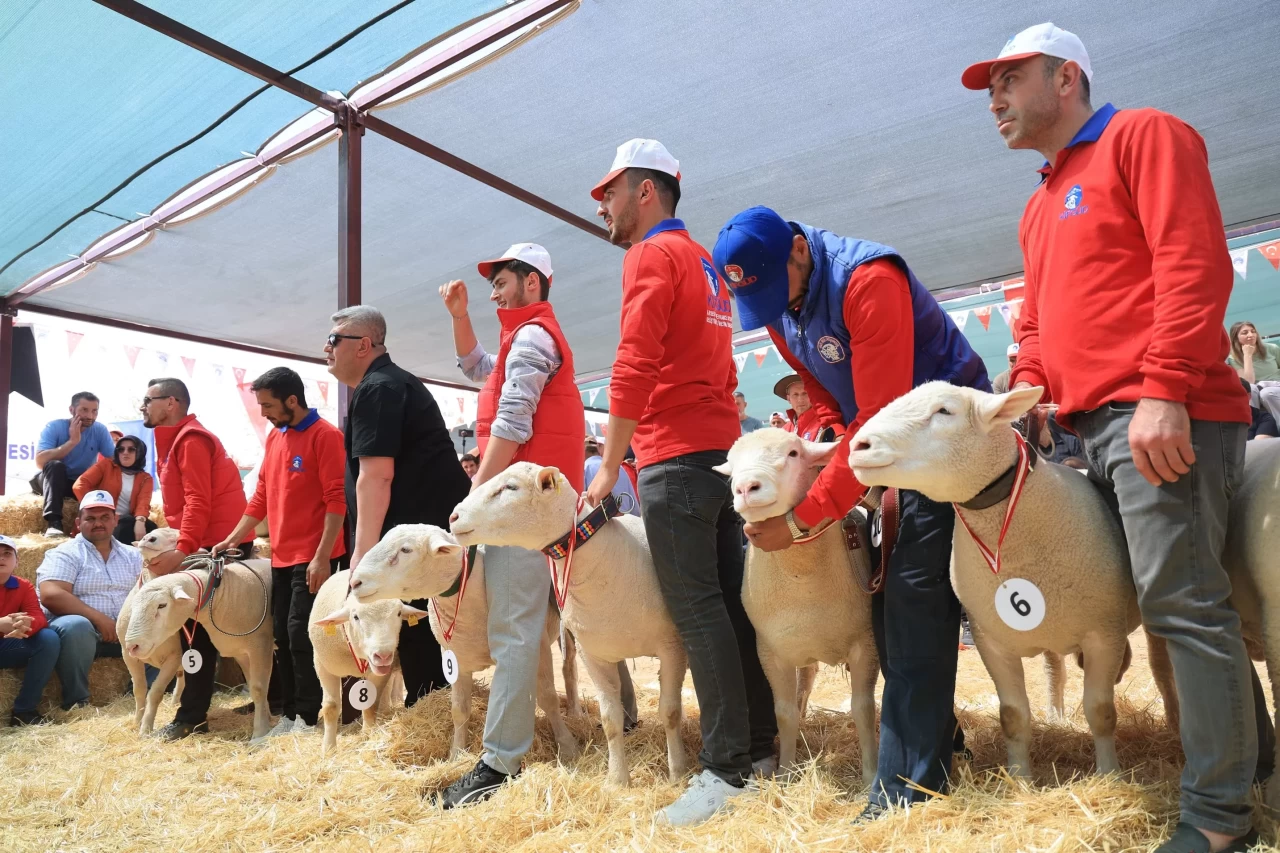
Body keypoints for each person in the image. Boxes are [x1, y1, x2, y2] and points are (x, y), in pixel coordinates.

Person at [965, 22, 1271, 852]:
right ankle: (1255, 767)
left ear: (1067, 78)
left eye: (1008, 77)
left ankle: (1217, 819)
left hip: (1158, 413)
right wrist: (1024, 388)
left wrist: (1166, 387)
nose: (992, 96)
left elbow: (1194, 262)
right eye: (988, 83)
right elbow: (1034, 318)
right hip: (1083, 428)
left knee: (1181, 604)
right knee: (1178, 599)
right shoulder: (1040, 200)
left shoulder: (1144, 135)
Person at [712, 204, 989, 821]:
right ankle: (939, 741)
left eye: (767, 292)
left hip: (945, 444)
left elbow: (880, 414)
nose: (770, 315)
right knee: (891, 599)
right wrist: (827, 439)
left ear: (798, 253)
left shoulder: (869, 283)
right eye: (752, 302)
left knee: (910, 596)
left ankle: (907, 788)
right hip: (893, 452)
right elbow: (842, 402)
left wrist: (805, 517)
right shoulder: (783, 304)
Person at [584, 138, 776, 826]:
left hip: (673, 457)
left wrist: (610, 462)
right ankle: (757, 751)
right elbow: (722, 371)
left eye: (609, 190)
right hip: (717, 455)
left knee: (700, 614)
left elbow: (633, 358)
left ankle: (726, 771)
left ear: (645, 191)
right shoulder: (705, 262)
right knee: (725, 605)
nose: (601, 203)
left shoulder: (650, 255)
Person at [436, 242, 586, 806]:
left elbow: (513, 419)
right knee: (537, 627)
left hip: (521, 514)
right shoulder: (523, 337)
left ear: (532, 283)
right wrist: (460, 319)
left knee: (514, 632)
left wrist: (476, 498)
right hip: (531, 510)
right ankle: (624, 721)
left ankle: (500, 763)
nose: (494, 289)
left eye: (502, 280)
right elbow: (480, 372)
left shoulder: (531, 337)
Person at [326, 305, 469, 707]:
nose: (327, 348)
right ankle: (431, 708)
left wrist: (365, 551)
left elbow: (376, 475)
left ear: (363, 345)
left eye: (334, 339)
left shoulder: (379, 388)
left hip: (416, 542)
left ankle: (431, 712)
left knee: (422, 625)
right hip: (421, 535)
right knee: (422, 626)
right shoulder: (385, 384)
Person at [212, 367, 346, 742]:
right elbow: (261, 498)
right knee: (283, 639)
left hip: (315, 556)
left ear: (292, 400)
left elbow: (337, 501)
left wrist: (322, 557)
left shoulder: (327, 436)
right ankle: (291, 713)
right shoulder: (275, 436)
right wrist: (233, 537)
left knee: (301, 635)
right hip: (282, 556)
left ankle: (307, 715)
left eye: (268, 405)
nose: (264, 413)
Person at [138, 377, 251, 739]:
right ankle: (273, 696)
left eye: (147, 400)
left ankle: (192, 717)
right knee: (215, 629)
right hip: (209, 544)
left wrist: (182, 551)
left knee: (195, 633)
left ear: (171, 403)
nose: (143, 407)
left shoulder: (190, 440)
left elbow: (197, 501)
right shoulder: (178, 440)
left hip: (211, 548)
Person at [36, 490, 144, 711]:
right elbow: (51, 594)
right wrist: (99, 619)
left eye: (105, 517)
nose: (98, 523)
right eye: (91, 518)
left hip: (126, 633)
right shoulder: (65, 553)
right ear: (78, 522)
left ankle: (144, 696)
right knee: (75, 625)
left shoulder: (134, 555)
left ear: (116, 520)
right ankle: (77, 703)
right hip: (84, 636)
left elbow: (148, 592)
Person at [34, 392, 116, 537]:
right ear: (72, 410)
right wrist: (72, 442)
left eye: (94, 411)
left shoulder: (100, 430)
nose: (90, 416)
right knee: (55, 465)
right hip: (51, 481)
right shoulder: (54, 426)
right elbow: (40, 462)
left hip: (79, 484)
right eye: (84, 410)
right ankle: (54, 524)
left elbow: (115, 461)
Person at [0, 534, 60, 726]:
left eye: (7, 554)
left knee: (48, 638)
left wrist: (25, 624)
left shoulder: (23, 586)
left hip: (6, 646)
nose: (1, 558)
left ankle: (24, 712)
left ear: (17, 561)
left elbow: (39, 616)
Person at [72, 435, 156, 545]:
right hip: (104, 518)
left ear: (139, 453)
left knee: (152, 529)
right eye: (121, 449)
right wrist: (97, 508)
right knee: (124, 528)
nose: (125, 452)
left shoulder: (145, 478)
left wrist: (140, 521)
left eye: (131, 449)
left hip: (128, 520)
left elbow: (143, 502)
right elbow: (80, 485)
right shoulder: (106, 465)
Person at [772, 373, 843, 441]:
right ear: (788, 398)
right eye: (795, 395)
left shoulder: (827, 421)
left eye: (805, 393)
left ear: (813, 395)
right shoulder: (785, 430)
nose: (800, 399)